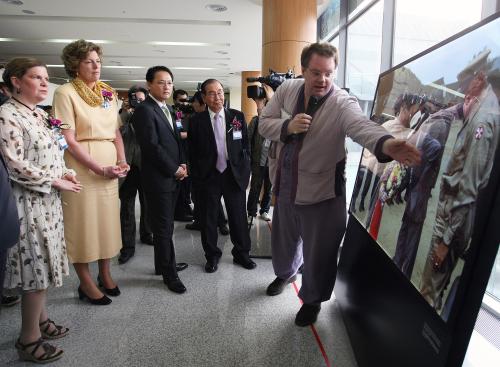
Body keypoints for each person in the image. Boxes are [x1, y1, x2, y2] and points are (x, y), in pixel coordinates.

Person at [259, 42, 421, 326]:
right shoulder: (287, 91)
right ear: (303, 71)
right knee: (284, 244)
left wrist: (386, 143)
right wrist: (287, 127)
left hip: (322, 193)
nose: (322, 80)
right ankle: (286, 274)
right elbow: (264, 122)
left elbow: (361, 126)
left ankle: (312, 300)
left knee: (320, 254)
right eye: (315, 72)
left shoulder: (342, 102)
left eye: (329, 73)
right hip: (285, 187)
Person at [0, 57, 82, 363]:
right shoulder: (7, 115)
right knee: (35, 270)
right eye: (37, 77)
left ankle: (41, 321)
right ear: (16, 81)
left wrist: (67, 172)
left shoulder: (38, 115)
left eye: (46, 78)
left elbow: (55, 149)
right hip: (27, 203)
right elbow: (14, 164)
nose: (45, 83)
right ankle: (28, 338)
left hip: (48, 202)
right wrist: (55, 180)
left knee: (44, 266)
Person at [52, 39, 129, 305]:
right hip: (82, 167)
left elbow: (116, 130)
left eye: (98, 61)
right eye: (89, 61)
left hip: (109, 166)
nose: (96, 66)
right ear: (75, 65)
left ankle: (105, 274)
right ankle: (85, 283)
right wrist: (99, 168)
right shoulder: (65, 93)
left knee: (107, 223)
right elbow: (68, 140)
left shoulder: (107, 92)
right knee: (83, 225)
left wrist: (121, 159)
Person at [420, 67, 500, 312]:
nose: (462, 84)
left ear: (481, 79)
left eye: (467, 79)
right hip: (451, 213)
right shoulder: (482, 108)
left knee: (429, 292)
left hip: (452, 221)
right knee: (433, 286)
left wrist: (445, 241)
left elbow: (469, 186)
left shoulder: (485, 118)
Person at [188, 79, 256, 273]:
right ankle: (212, 256)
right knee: (209, 219)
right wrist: (197, 177)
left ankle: (242, 254)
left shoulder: (237, 117)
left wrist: (246, 170)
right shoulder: (196, 121)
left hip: (233, 174)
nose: (217, 97)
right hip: (209, 176)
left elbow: (245, 145)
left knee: (238, 217)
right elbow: (192, 152)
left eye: (219, 92)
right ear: (204, 97)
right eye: (211, 93)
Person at [131, 66, 189, 294]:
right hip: (159, 178)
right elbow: (151, 147)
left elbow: (176, 139)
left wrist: (183, 163)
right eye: (161, 82)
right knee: (164, 229)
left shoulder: (169, 109)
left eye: (169, 82)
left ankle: (163, 265)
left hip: (173, 175)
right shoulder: (145, 110)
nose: (166, 87)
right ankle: (169, 274)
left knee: (167, 226)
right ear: (149, 85)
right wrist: (174, 168)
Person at [185, 90, 229, 235]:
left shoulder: (232, 116)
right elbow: (193, 149)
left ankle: (221, 224)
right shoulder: (196, 120)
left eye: (194, 102)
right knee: (206, 202)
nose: (193, 105)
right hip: (204, 171)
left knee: (212, 202)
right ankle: (205, 224)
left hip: (225, 171)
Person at [117, 86, 153, 264]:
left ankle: (147, 234)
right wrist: (124, 111)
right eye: (135, 99)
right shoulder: (123, 115)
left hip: (146, 165)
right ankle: (127, 246)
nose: (138, 103)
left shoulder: (150, 113)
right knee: (127, 208)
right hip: (128, 166)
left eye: (141, 100)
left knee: (148, 204)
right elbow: (118, 132)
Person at [246, 85, 274, 223]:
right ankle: (251, 212)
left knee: (269, 189)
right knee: (255, 188)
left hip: (272, 162)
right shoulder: (256, 121)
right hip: (257, 161)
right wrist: (249, 159)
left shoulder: (276, 123)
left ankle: (264, 211)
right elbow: (247, 141)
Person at [172, 89, 194, 222]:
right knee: (181, 183)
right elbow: (175, 133)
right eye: (181, 100)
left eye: (186, 100)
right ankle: (179, 211)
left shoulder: (189, 113)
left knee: (188, 184)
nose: (184, 103)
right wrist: (190, 134)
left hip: (189, 152)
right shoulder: (173, 113)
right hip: (178, 152)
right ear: (175, 100)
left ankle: (186, 207)